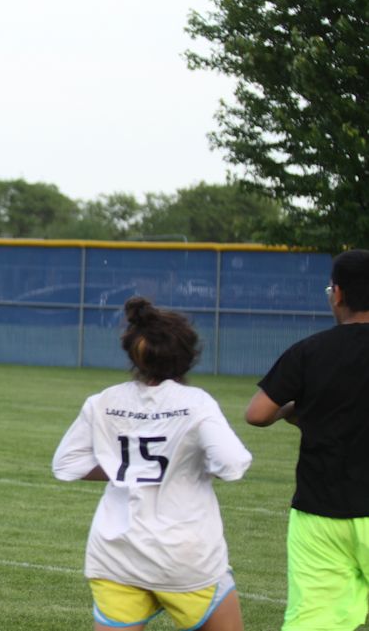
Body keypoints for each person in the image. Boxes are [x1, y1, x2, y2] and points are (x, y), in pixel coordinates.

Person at [53, 297, 251, 631]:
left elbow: (66, 464)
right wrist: (183, 466)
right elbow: (232, 464)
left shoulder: (103, 401)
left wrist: (127, 469)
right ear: (188, 355)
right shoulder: (196, 403)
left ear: (133, 353)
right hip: (185, 558)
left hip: (115, 555)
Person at [245, 249, 369, 631]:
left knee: (314, 621)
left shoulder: (309, 351)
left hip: (320, 512)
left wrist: (299, 412)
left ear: (338, 294)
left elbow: (257, 413)